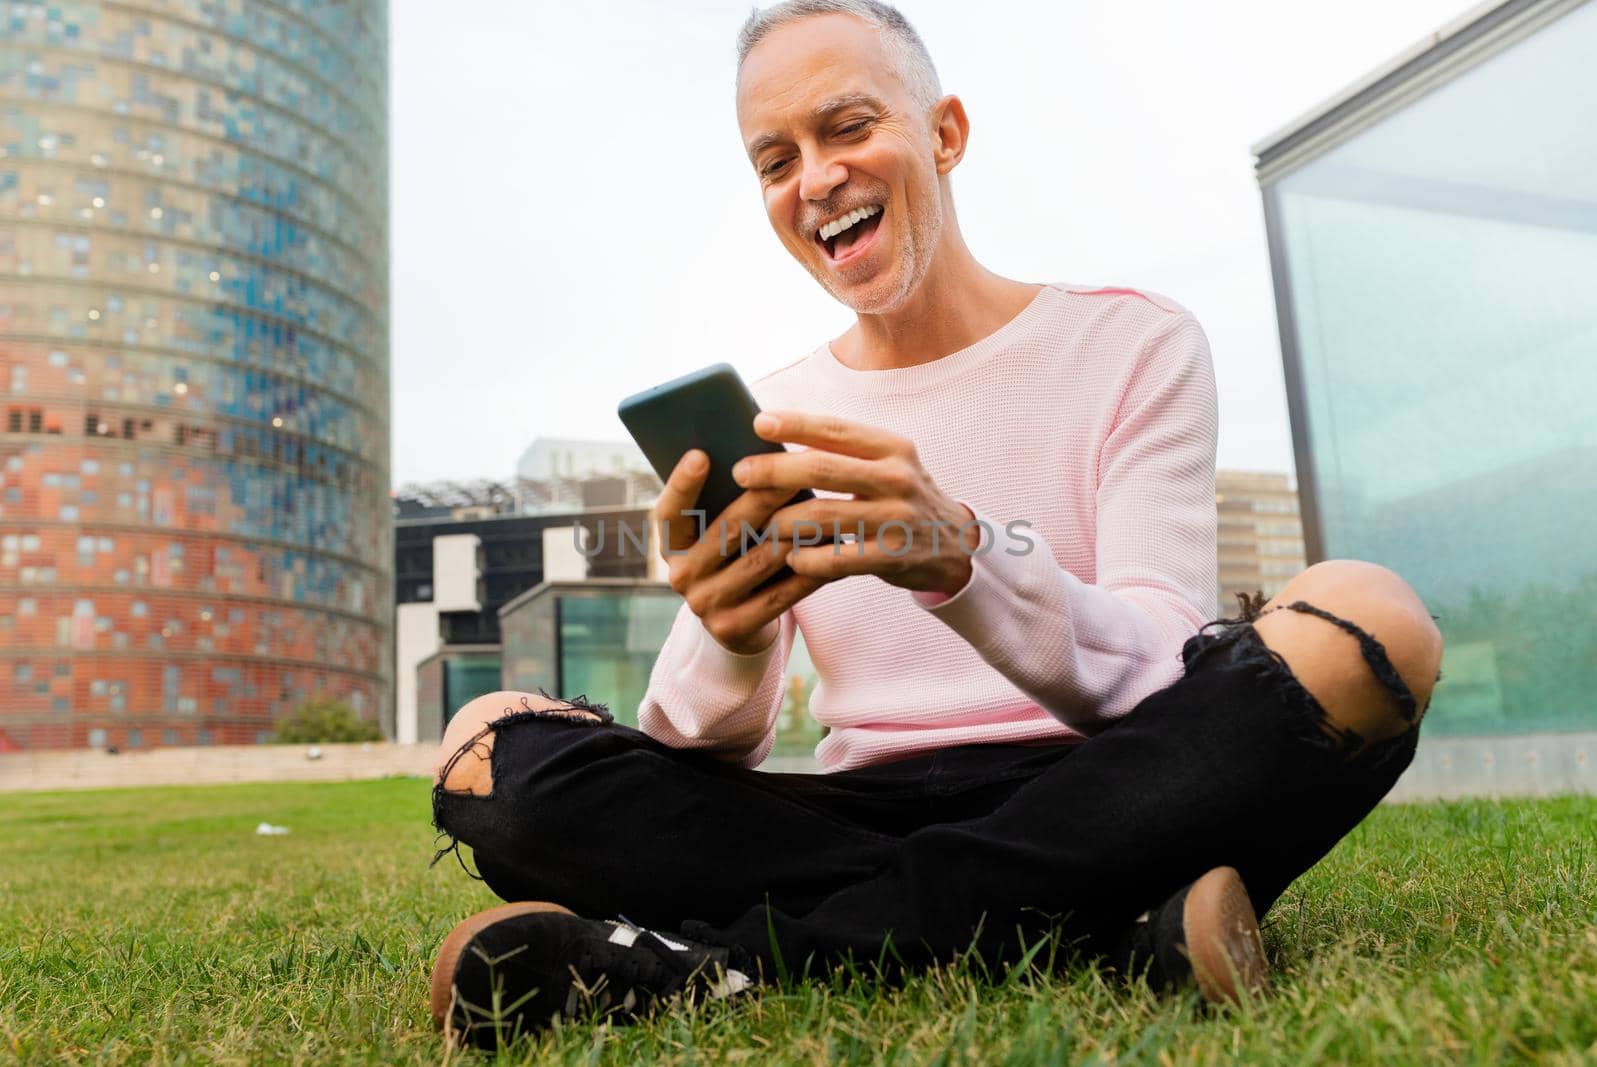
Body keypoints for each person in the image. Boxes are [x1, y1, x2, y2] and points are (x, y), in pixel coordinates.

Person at [427, 0, 1445, 1048]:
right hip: (864, 810)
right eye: (775, 159)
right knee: (487, 750)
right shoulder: (777, 409)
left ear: (944, 134)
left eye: (848, 126)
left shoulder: (1132, 343)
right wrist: (726, 637)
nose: (814, 177)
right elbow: (692, 748)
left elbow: (1153, 666)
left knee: (1369, 618)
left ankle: (724, 965)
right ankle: (1111, 920)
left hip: (1106, 777)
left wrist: (964, 555)